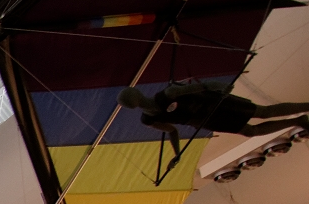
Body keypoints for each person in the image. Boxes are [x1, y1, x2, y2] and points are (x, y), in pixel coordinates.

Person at [118, 80, 309, 137]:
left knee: (263, 112)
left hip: (213, 105)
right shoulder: (149, 120)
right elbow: (172, 131)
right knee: (249, 131)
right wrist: (176, 155)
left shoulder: (168, 93)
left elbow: (200, 87)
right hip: (205, 120)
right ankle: (297, 121)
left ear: (138, 95)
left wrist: (221, 87)